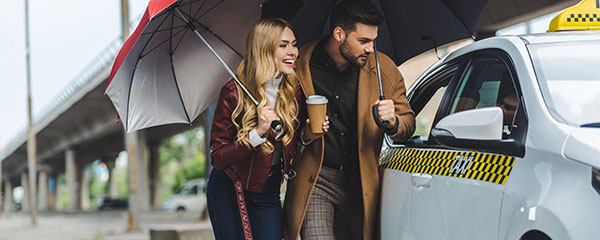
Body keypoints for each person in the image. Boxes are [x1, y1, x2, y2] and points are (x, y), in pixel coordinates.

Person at [283, 1, 416, 239]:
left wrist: (393, 121)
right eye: (363, 41)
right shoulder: (300, 65)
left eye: (373, 40)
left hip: (361, 184)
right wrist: (305, 136)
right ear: (339, 34)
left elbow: (408, 123)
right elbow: (284, 126)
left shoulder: (383, 69)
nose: (370, 48)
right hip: (317, 180)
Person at [207, 18, 328, 240]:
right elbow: (218, 157)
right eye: (283, 45)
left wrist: (308, 135)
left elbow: (290, 141)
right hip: (230, 190)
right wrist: (257, 133)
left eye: (293, 44)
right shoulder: (234, 92)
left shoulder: (293, 90)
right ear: (263, 49)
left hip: (268, 190)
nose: (293, 52)